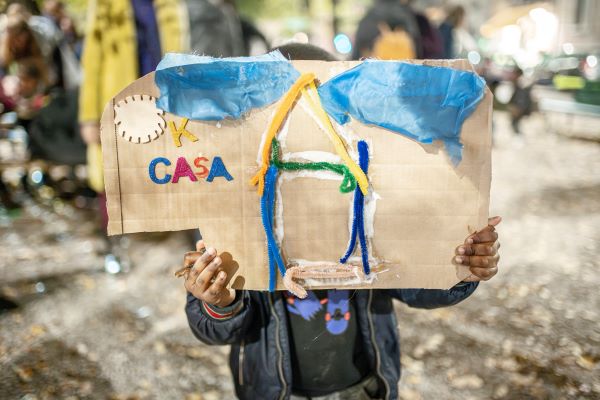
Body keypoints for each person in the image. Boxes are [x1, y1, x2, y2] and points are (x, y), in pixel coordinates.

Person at [183, 43, 502, 400]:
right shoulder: (237, 217)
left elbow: (416, 286)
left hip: (365, 387)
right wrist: (218, 302)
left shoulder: (374, 206)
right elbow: (215, 329)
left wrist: (460, 266)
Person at [79, 0, 188, 269]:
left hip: (160, 99)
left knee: (159, 167)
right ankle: (115, 246)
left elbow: (183, 57)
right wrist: (89, 116)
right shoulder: (106, 6)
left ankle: (159, 241)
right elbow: (91, 62)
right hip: (118, 100)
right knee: (113, 175)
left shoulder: (169, 5)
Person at [352, 0, 420, 60]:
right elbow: (416, 41)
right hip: (403, 66)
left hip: (378, 66)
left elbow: (358, 49)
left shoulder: (369, 17)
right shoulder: (406, 14)